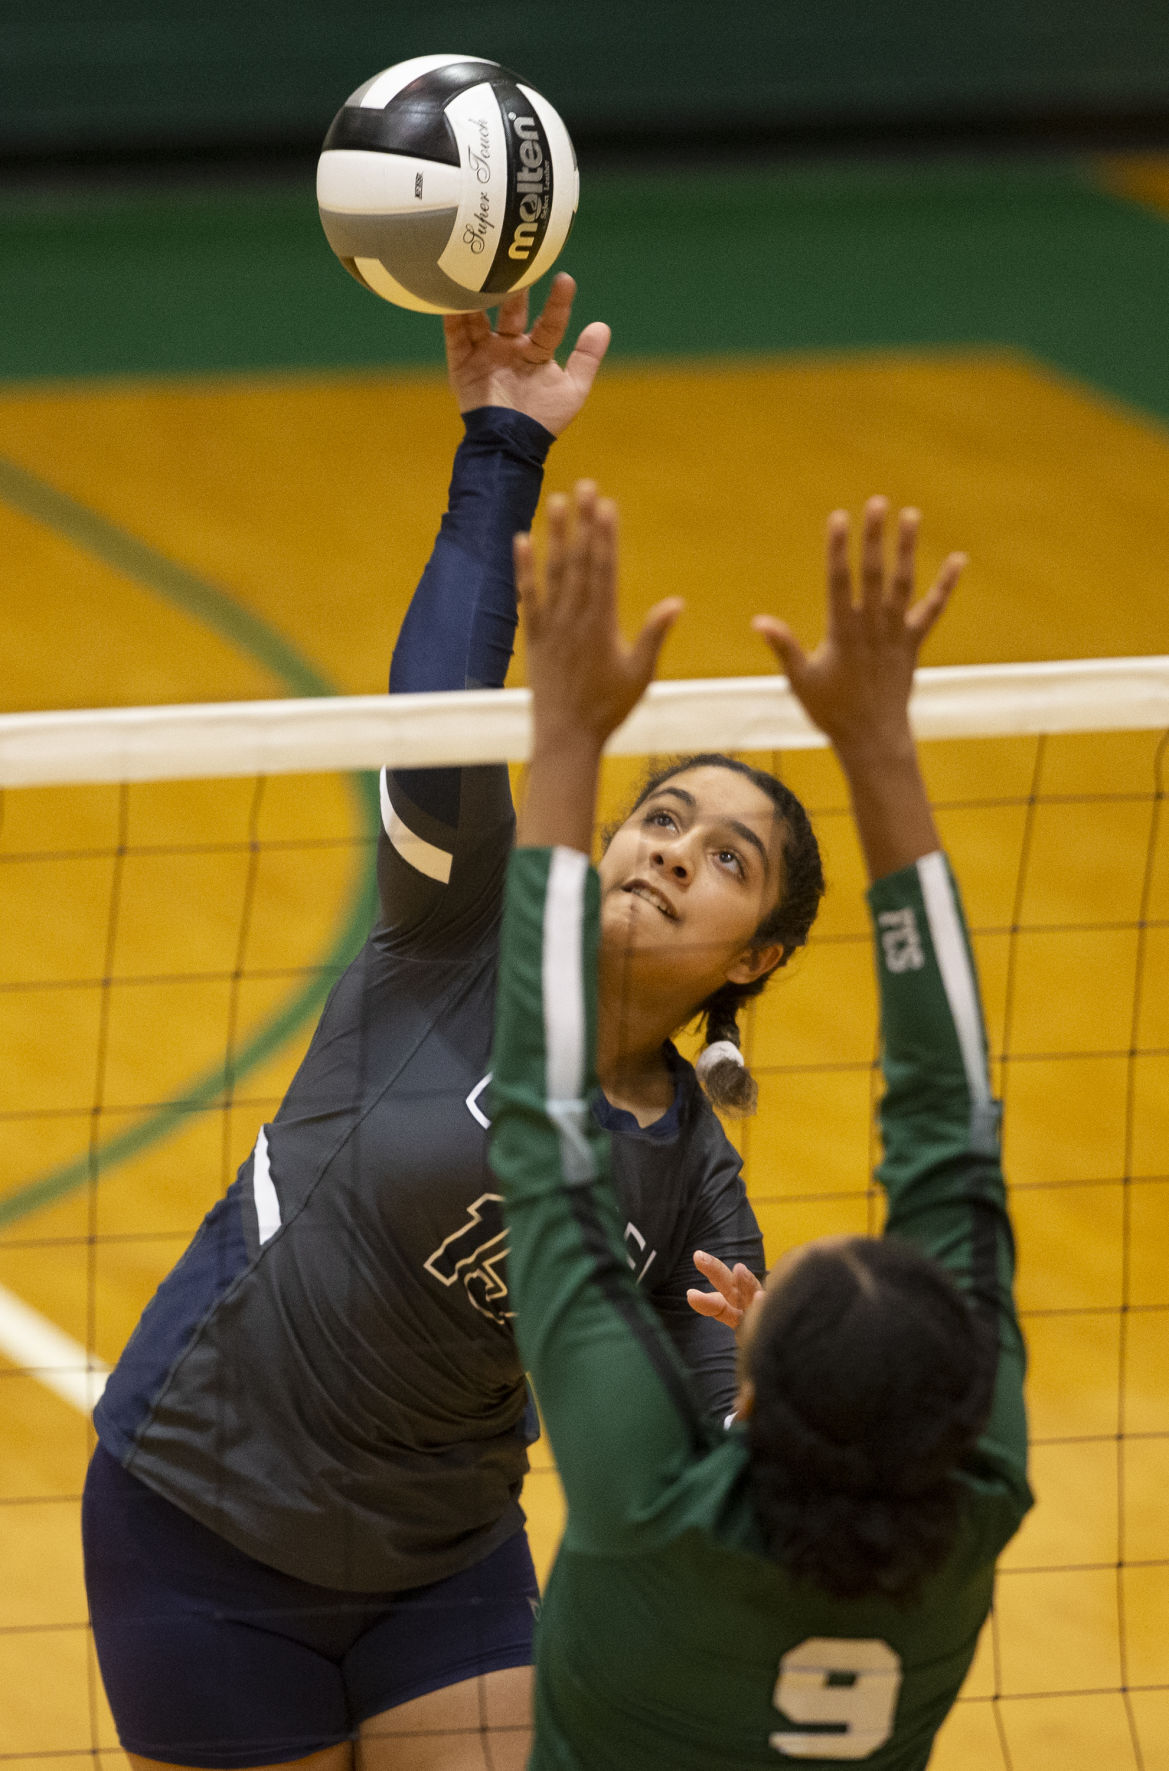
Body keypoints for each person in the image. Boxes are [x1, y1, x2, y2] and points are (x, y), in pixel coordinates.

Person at [81, 276, 824, 1771]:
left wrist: (780, 1409)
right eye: (661, 815)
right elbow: (436, 710)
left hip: (443, 1564)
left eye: (725, 858)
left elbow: (707, 1456)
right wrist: (500, 448)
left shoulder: (692, 1175)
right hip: (206, 1510)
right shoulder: (457, 929)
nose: (673, 849)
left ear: (763, 953)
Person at [489, 484, 1033, 1769]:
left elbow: (949, 1133)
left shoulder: (651, 1509)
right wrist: (879, 749)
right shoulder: (962, 1501)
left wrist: (561, 732)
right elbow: (549, 1140)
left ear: (758, 1385)